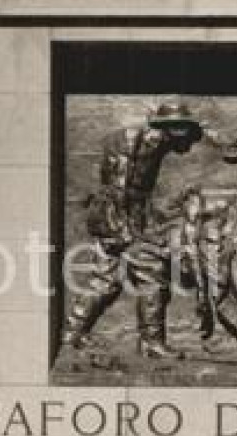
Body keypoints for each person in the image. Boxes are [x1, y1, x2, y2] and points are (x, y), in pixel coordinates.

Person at [59, 100, 203, 362]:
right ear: (176, 129)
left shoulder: (156, 141)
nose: (191, 145)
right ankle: (151, 344)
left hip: (125, 216)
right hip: (117, 218)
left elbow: (138, 194)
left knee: (106, 280)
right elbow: (119, 188)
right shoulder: (139, 140)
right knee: (153, 275)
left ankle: (72, 332)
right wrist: (123, 230)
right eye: (189, 136)